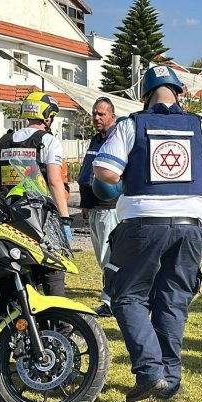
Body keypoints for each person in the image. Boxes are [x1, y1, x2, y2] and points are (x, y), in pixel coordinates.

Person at [93, 65, 202, 402]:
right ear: (180, 93)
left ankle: (149, 370)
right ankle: (170, 379)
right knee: (173, 301)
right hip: (190, 227)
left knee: (127, 296)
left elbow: (106, 172)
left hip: (143, 225)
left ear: (144, 95)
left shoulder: (131, 125)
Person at [0, 91, 72, 296]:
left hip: (8, 215)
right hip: (40, 218)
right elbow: (55, 182)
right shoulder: (48, 141)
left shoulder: (5, 141)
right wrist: (64, 219)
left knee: (16, 268)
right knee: (52, 270)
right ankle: (59, 324)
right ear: (48, 116)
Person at [78, 97, 119, 316]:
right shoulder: (97, 139)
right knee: (102, 256)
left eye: (101, 114)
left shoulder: (117, 138)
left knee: (109, 255)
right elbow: (87, 172)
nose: (96, 117)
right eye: (94, 113)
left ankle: (110, 301)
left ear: (113, 116)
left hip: (110, 207)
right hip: (95, 207)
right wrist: (85, 203)